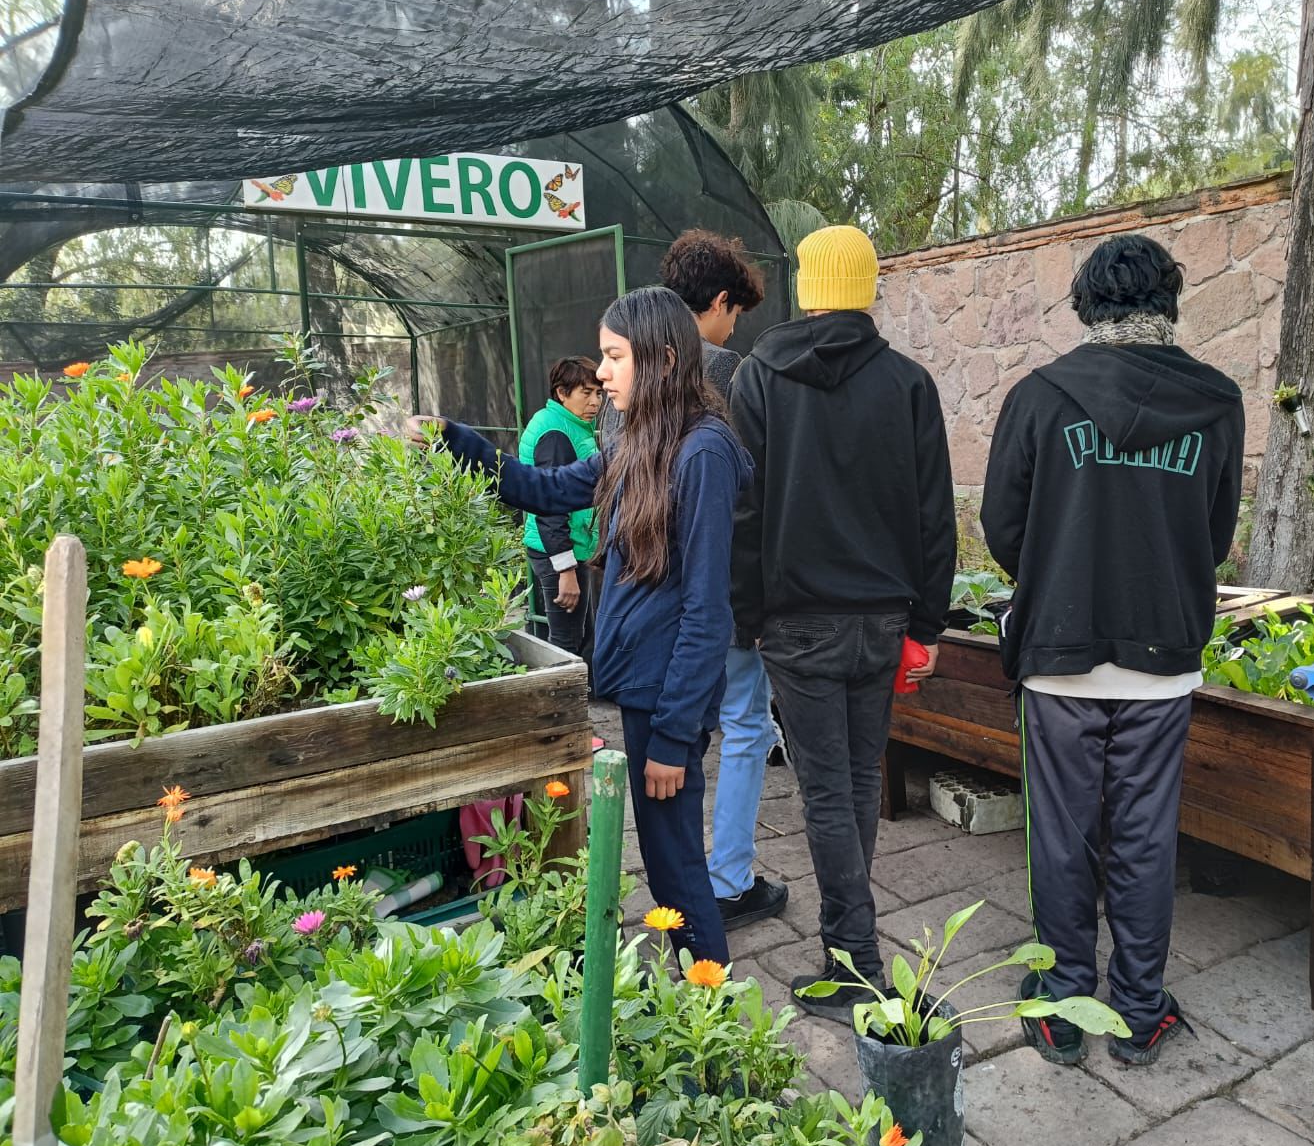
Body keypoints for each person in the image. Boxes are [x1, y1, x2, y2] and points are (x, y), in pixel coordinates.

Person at [406, 286, 752, 964]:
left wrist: (676, 737)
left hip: (668, 704)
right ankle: (700, 1010)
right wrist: (455, 441)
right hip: (646, 694)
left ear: (662, 358)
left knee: (679, 870)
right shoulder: (639, 443)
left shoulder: (702, 454)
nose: (600, 373)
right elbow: (542, 488)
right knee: (666, 866)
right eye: (603, 357)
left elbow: (708, 610)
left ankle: (717, 1033)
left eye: (614, 356)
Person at [980, 234, 1245, 1067]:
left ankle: (1063, 1006)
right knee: (1145, 834)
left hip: (1061, 652)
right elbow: (1217, 531)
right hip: (1163, 657)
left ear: (1087, 306)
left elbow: (1002, 527)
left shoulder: (1038, 397)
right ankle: (1137, 1007)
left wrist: (1057, 572)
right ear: (1168, 303)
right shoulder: (1219, 402)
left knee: (1059, 834)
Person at [730, 224, 956, 1019]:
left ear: (805, 287)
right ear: (868, 289)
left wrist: (745, 616)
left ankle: (853, 960)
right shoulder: (909, 384)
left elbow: (744, 511)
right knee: (856, 782)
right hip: (883, 621)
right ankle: (850, 946)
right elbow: (935, 517)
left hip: (796, 624)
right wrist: (928, 624)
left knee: (829, 791)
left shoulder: (759, 380)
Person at [658, 230, 788, 930]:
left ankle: (676, 883)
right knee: (744, 723)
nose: (735, 324)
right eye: (733, 309)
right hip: (722, 594)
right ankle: (728, 880)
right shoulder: (731, 377)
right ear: (715, 302)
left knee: (676, 735)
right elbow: (749, 502)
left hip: (654, 596)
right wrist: (757, 608)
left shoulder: (633, 376)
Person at [518, 356, 603, 660]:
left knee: (578, 634)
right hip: (557, 551)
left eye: (599, 393)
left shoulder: (571, 425)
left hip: (570, 546)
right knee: (564, 642)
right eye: (586, 393)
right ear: (561, 393)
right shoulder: (555, 433)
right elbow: (549, 505)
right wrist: (565, 570)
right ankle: (560, 706)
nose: (595, 402)